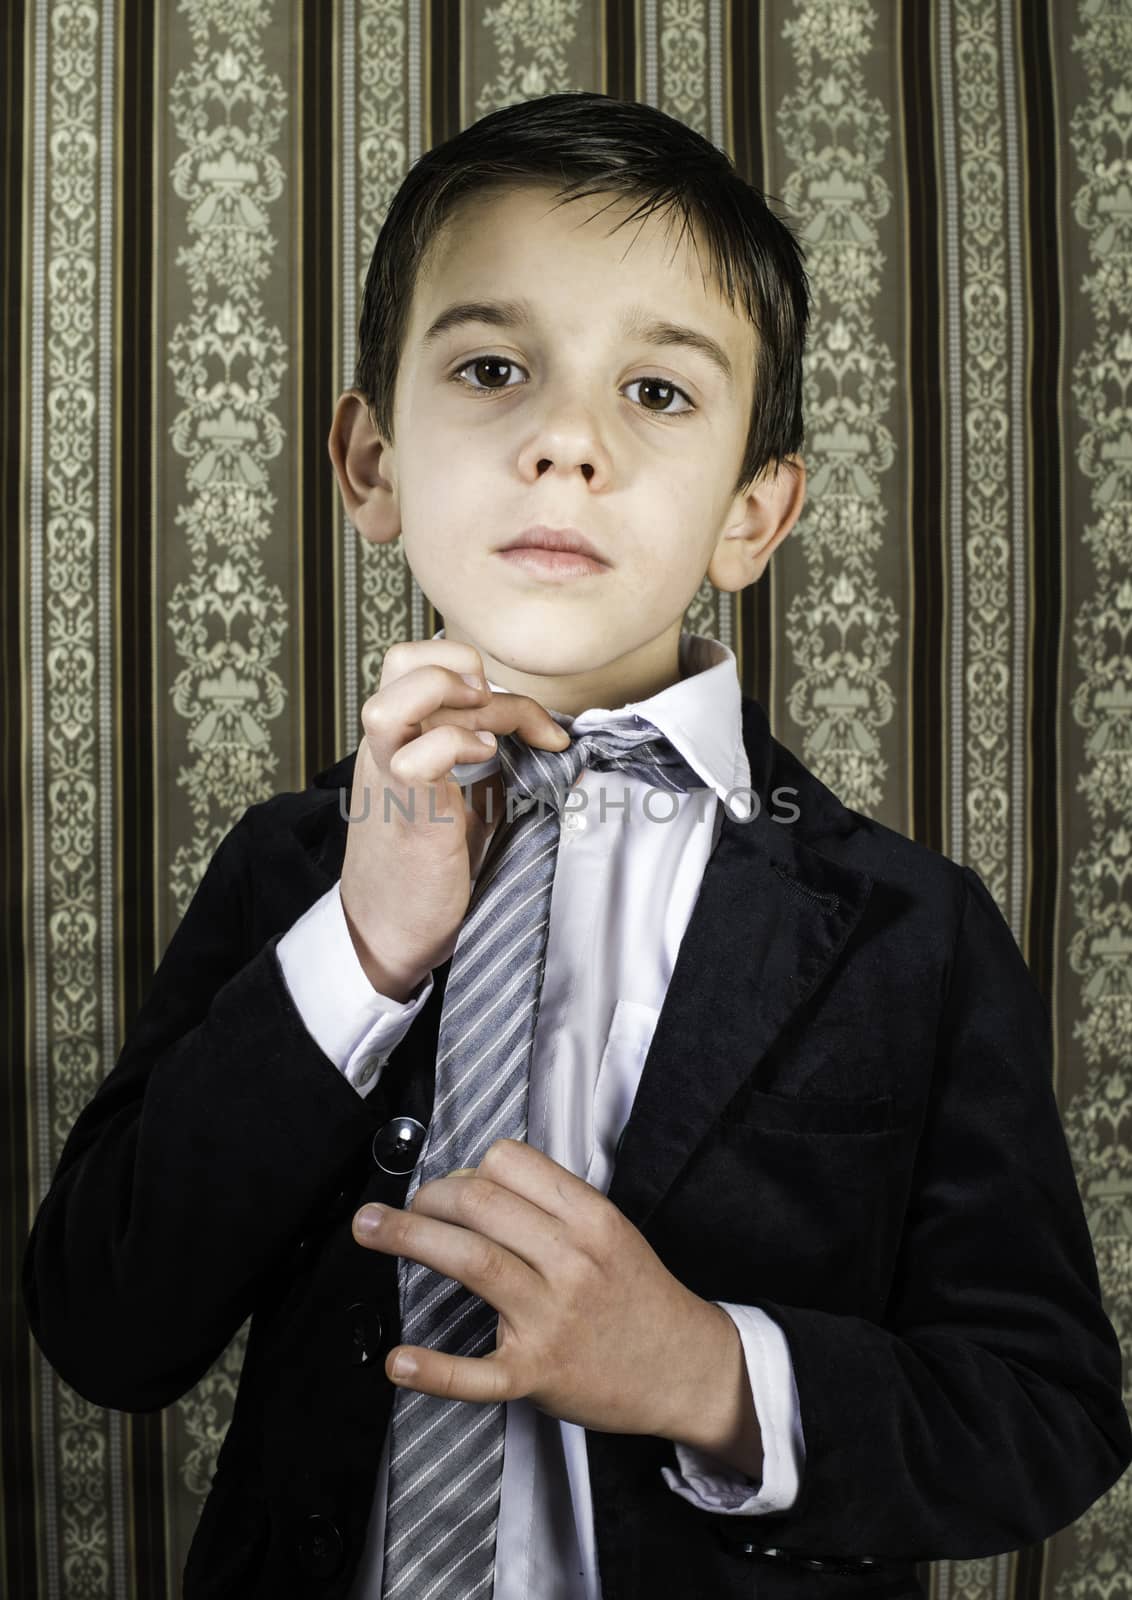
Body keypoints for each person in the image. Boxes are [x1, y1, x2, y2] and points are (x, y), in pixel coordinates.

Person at [21, 90, 1131, 1600]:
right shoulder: (292, 871)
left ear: (753, 511)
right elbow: (106, 1326)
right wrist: (364, 952)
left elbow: (1046, 1415)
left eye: (660, 395)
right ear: (371, 464)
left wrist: (707, 1374)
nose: (564, 443)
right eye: (492, 369)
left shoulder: (909, 931)